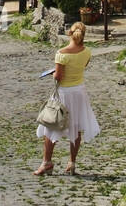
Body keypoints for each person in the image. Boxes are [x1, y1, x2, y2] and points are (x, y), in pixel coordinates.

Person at [35, 21, 100, 176]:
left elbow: (59, 76)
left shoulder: (62, 53)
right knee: (76, 128)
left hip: (64, 93)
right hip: (79, 92)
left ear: (70, 33)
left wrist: (53, 74)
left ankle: (47, 162)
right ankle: (72, 162)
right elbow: (81, 67)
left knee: (52, 126)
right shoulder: (87, 52)